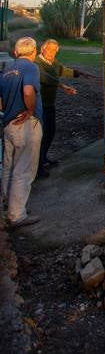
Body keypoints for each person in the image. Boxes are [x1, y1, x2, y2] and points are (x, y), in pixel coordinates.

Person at [0, 36, 43, 228]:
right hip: (25, 123)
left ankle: (8, 206)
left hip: (8, 123)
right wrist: (31, 111)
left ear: (16, 52)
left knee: (9, 166)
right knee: (24, 169)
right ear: (33, 52)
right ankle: (17, 215)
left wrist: (8, 111)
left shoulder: (6, 70)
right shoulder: (30, 67)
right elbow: (28, 91)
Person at [34, 39, 92, 177]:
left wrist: (79, 73)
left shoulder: (53, 62)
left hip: (50, 104)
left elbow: (61, 70)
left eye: (55, 50)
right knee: (40, 135)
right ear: (43, 49)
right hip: (39, 105)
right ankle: (37, 167)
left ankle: (43, 158)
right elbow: (45, 77)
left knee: (50, 131)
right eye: (49, 50)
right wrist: (63, 86)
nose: (52, 53)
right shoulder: (36, 63)